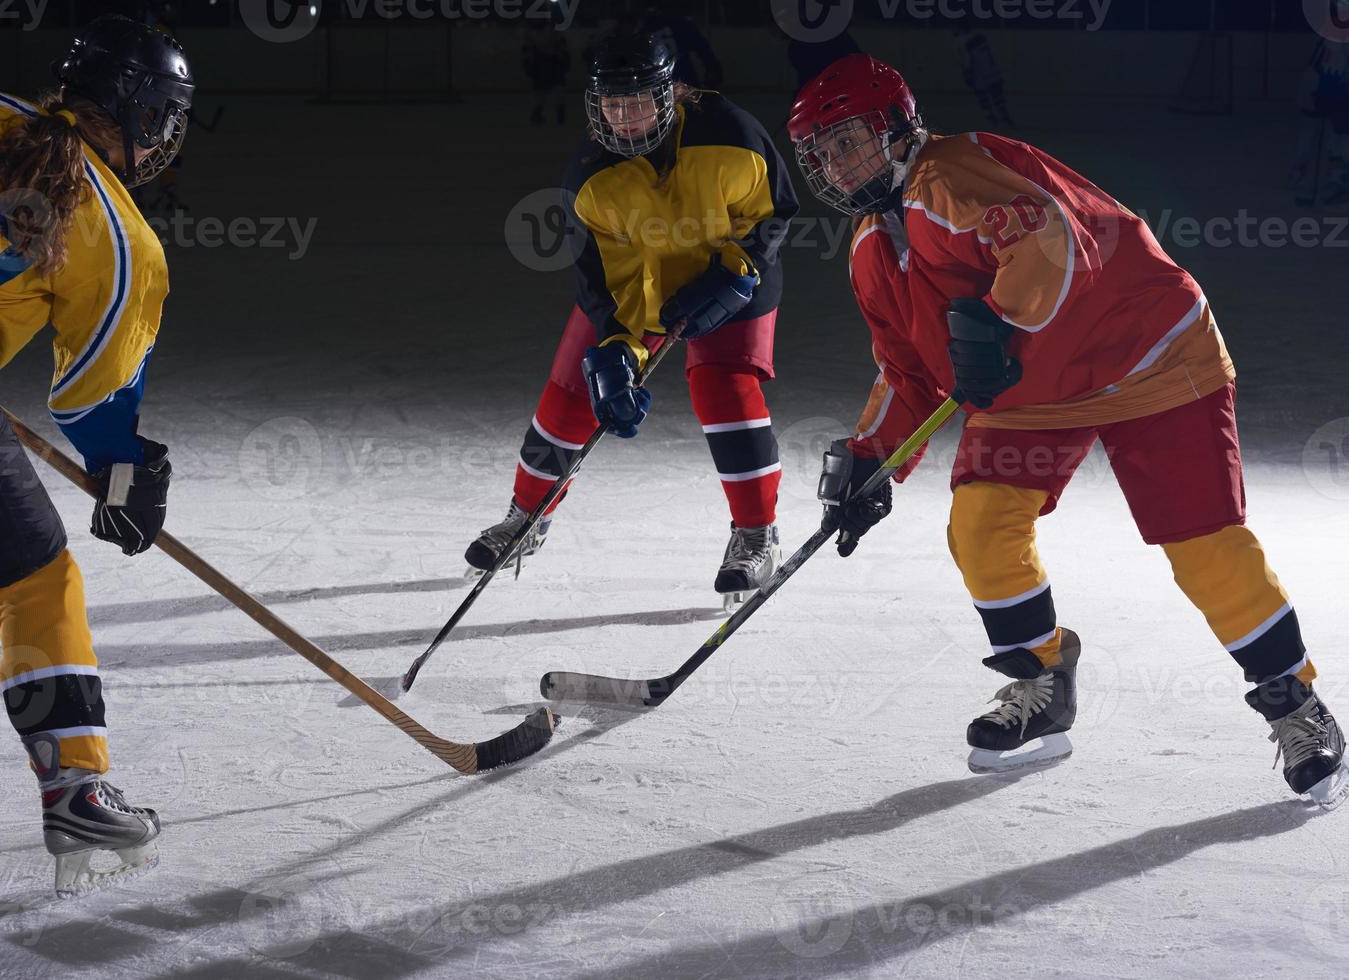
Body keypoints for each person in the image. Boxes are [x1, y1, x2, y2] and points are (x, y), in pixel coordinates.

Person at [787, 53, 1346, 808]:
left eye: (846, 139)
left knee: (1203, 546)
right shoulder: (868, 251)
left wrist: (995, 321)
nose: (835, 163)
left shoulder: (952, 173)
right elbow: (908, 371)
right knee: (980, 525)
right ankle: (1040, 682)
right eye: (820, 152)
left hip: (1147, 355)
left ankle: (1295, 703)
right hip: (1035, 388)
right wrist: (870, 459)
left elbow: (1049, 240)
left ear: (895, 128)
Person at [0, 15, 194, 892]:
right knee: (35, 582)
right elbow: (91, 397)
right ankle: (76, 788)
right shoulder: (125, 239)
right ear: (143, 116)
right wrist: (126, 473)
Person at [467, 33, 798, 608]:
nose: (624, 118)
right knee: (576, 388)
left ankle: (755, 534)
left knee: (723, 386)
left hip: (734, 276)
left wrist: (735, 271)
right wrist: (619, 349)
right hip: (646, 284)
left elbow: (771, 211)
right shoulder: (591, 180)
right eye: (612, 105)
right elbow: (604, 282)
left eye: (638, 101)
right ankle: (527, 516)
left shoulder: (732, 134)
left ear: (669, 93)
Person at [1291, 25, 1349, 206]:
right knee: (1326, 136)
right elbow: (1333, 67)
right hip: (1326, 88)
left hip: (1323, 87)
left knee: (1320, 135)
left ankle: (1308, 181)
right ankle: (1319, 184)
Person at [523, 19, 571, 126]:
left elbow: (564, 55)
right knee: (541, 94)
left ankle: (557, 117)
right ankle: (539, 115)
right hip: (543, 67)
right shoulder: (538, 42)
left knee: (557, 93)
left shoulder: (556, 41)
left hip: (552, 67)